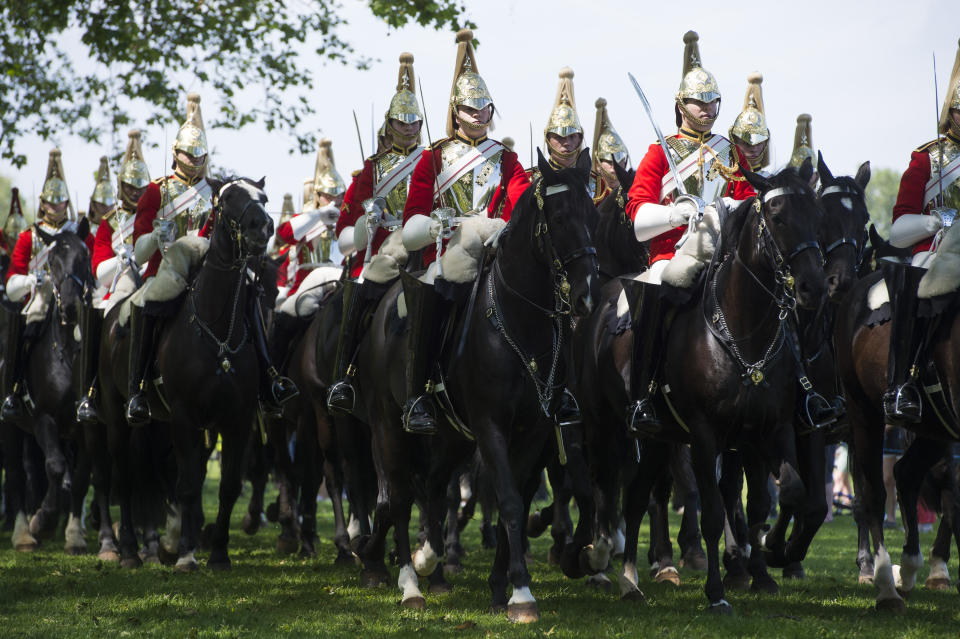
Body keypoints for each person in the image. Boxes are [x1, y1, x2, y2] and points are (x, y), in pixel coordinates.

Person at [125, 93, 295, 425]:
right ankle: (138, 388)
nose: (195, 159)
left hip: (210, 266)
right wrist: (156, 238)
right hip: (168, 266)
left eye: (200, 154)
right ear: (176, 153)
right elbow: (138, 249)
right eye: (189, 154)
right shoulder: (157, 191)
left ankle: (267, 379)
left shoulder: (218, 191)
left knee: (250, 297)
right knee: (151, 301)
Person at [623, 31, 755, 437]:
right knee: (654, 293)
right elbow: (637, 214)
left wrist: (720, 210)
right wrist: (674, 213)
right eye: (700, 101)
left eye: (714, 101)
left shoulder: (729, 153)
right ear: (681, 104)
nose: (708, 109)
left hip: (724, 254)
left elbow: (749, 203)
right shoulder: (659, 152)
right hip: (670, 257)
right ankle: (642, 394)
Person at [399, 28, 530, 434]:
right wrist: (434, 224)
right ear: (456, 112)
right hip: (447, 251)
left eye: (485, 108)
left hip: (494, 251)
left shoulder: (506, 158)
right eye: (470, 110)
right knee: (434, 295)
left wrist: (506, 225)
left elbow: (521, 200)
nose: (479, 116)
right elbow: (412, 219)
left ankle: (550, 387)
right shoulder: (433, 158)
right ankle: (419, 393)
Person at [326, 53, 425, 415]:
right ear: (390, 122)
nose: (410, 127)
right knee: (363, 293)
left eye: (416, 121)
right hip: (383, 252)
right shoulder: (371, 169)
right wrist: (367, 225)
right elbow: (342, 237)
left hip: (428, 245)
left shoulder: (435, 160)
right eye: (403, 121)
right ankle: (345, 375)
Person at [884, 37, 960, 424]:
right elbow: (898, 228)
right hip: (937, 249)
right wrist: (934, 221)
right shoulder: (927, 159)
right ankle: (903, 383)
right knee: (916, 280)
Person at [2, 149, 81, 421]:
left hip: (72, 291)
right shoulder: (29, 237)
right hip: (42, 293)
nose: (56, 207)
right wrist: (29, 280)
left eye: (60, 203)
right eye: (51, 202)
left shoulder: (76, 232)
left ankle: (95, 389)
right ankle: (15, 386)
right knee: (30, 319)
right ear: (42, 203)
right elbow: (12, 280)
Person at [268, 139, 346, 384]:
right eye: (328, 195)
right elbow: (284, 234)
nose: (334, 200)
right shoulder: (309, 219)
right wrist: (318, 216)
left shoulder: (348, 221)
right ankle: (274, 381)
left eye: (339, 195)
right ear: (318, 195)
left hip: (340, 282)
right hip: (305, 288)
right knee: (281, 324)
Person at [591, 97, 630, 206]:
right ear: (598, 165)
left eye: (618, 162)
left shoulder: (633, 192)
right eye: (609, 163)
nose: (613, 169)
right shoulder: (591, 195)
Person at [728, 73, 771, 174]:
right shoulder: (724, 177)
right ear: (735, 141)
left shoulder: (771, 180)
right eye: (746, 143)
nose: (754, 149)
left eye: (759, 143)